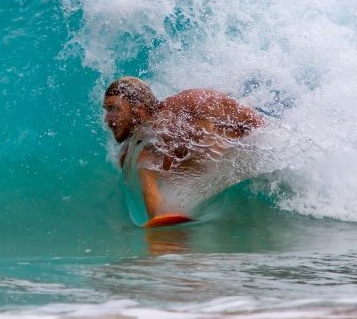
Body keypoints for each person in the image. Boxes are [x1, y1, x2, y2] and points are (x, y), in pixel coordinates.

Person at [103, 77, 264, 221]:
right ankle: (161, 222)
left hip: (251, 155)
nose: (107, 118)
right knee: (143, 162)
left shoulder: (190, 104)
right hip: (209, 178)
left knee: (198, 135)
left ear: (139, 108)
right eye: (106, 111)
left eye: (113, 109)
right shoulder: (131, 154)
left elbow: (254, 122)